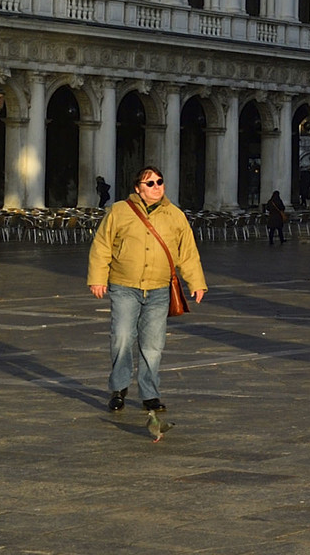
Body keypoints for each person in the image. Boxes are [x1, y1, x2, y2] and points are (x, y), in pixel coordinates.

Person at [87, 163, 206, 441]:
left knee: (153, 345)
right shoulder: (119, 211)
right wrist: (97, 278)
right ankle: (118, 389)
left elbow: (187, 252)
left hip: (158, 289)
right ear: (138, 188)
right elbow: (102, 244)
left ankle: (150, 393)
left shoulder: (175, 215)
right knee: (122, 337)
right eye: (150, 183)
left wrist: (196, 282)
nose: (157, 187)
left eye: (160, 182)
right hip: (124, 285)